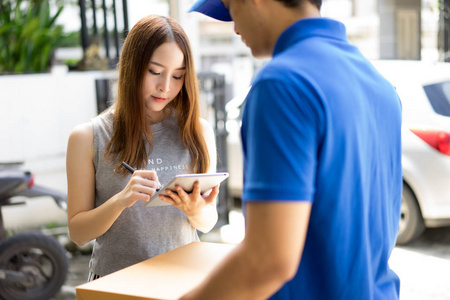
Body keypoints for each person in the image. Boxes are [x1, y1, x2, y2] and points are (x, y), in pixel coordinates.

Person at [183, 0, 402, 299]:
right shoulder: (380, 85)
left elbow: (267, 261)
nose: (234, 27)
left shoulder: (282, 83)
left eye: (232, 8)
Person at [66, 14, 219, 280]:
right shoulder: (88, 136)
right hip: (116, 285)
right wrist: (121, 200)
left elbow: (208, 221)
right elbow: (78, 233)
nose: (165, 87)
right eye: (155, 72)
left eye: (178, 76)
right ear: (131, 66)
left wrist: (195, 210)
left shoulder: (198, 131)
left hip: (182, 281)